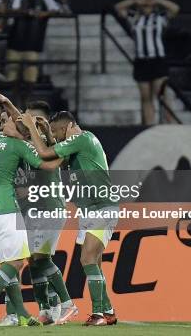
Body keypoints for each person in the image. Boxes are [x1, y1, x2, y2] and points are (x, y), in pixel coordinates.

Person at [0, 112, 64, 327]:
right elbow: (48, 165)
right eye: (5, 119)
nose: (4, 121)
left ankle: (22, 314)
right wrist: (66, 153)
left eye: (8, 121)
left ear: (17, 130)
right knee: (17, 261)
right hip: (5, 209)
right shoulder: (19, 146)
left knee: (7, 265)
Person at [19, 111, 119, 327]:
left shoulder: (80, 139)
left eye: (56, 132)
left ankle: (98, 314)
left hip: (101, 208)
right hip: (90, 210)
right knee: (95, 262)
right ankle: (108, 311)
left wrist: (33, 129)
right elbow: (51, 160)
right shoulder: (79, 145)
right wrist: (45, 131)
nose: (54, 136)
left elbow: (45, 153)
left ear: (68, 127)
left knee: (87, 259)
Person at [115, 0, 180, 125]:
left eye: (149, 4)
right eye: (144, 4)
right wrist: (134, 0)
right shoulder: (134, 18)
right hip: (141, 61)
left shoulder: (160, 18)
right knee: (145, 97)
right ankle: (150, 125)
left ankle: (171, 123)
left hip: (157, 60)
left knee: (161, 95)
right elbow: (118, 8)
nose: (146, 6)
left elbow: (175, 8)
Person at [6, 0, 59, 108]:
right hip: (16, 40)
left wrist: (43, 14)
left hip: (33, 42)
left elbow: (55, 9)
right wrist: (26, 12)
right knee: (13, 74)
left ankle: (26, 98)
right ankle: (16, 99)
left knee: (30, 76)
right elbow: (13, 9)